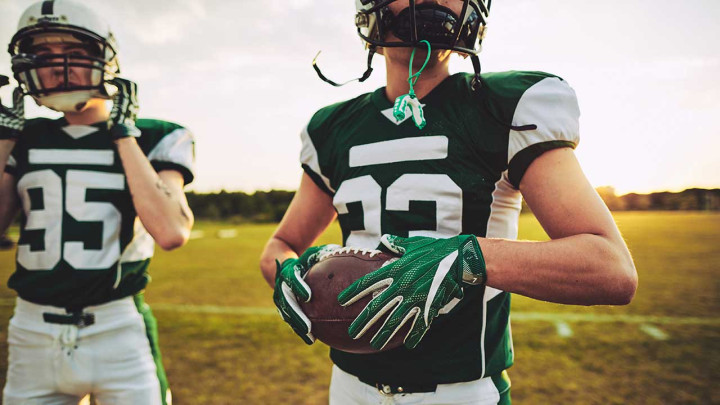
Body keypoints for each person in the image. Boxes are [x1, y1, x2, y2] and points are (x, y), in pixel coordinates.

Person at [260, 0, 638, 404]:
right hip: (348, 389)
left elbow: (609, 266)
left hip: (461, 393)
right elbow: (280, 247)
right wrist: (287, 272)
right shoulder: (332, 128)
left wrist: (468, 257)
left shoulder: (502, 107)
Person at [0, 1, 195, 404]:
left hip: (117, 328)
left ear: (105, 58)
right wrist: (4, 140)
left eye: (72, 53)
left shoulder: (157, 135)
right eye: (43, 56)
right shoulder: (24, 136)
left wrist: (123, 134)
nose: (57, 67)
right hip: (31, 329)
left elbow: (172, 232)